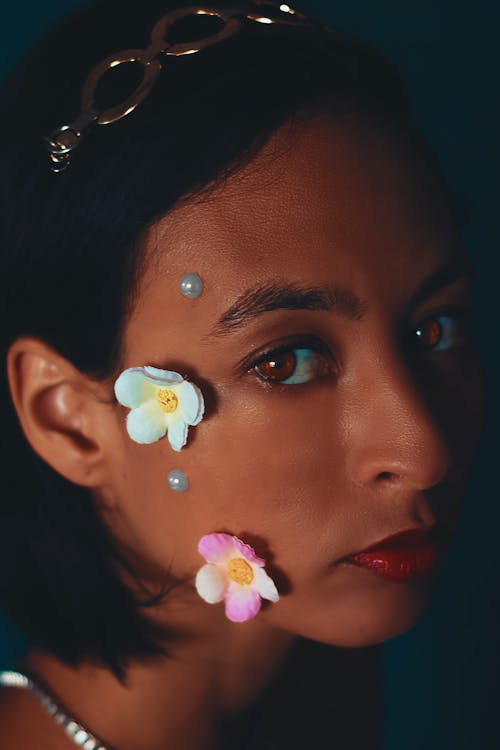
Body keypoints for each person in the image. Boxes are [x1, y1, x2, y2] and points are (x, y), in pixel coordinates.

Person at [0, 0, 485, 747]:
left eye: (434, 328)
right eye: (285, 361)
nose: (422, 452)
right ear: (69, 417)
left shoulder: (323, 683)